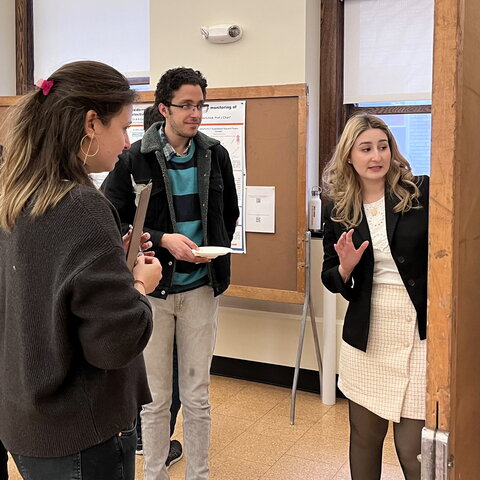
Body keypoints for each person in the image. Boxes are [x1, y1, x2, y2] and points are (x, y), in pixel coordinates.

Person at [0, 60, 162, 480]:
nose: (128, 142)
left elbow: (44, 286)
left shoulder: (15, 195)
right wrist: (139, 285)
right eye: (124, 127)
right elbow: (113, 343)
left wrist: (111, 260)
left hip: (26, 419)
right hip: (81, 431)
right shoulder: (82, 207)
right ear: (91, 123)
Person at [103, 67, 239, 480]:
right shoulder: (134, 157)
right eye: (186, 105)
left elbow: (228, 212)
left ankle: (200, 474)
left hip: (202, 287)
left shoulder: (215, 154)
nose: (195, 113)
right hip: (155, 293)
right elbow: (112, 217)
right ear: (164, 108)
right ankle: (155, 474)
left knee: (197, 396)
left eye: (200, 105)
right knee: (156, 398)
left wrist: (209, 250)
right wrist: (163, 239)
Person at [321, 114, 428, 480]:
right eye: (366, 148)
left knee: (414, 449)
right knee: (365, 438)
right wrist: (346, 268)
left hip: (418, 332)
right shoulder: (338, 207)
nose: (376, 156)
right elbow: (330, 277)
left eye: (383, 147)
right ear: (349, 155)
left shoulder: (418, 193)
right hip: (368, 334)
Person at [134, 105, 183, 468]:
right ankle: (148, 440)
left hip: (190, 287)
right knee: (158, 375)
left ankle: (151, 439)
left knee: (174, 378)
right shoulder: (134, 163)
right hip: (153, 287)